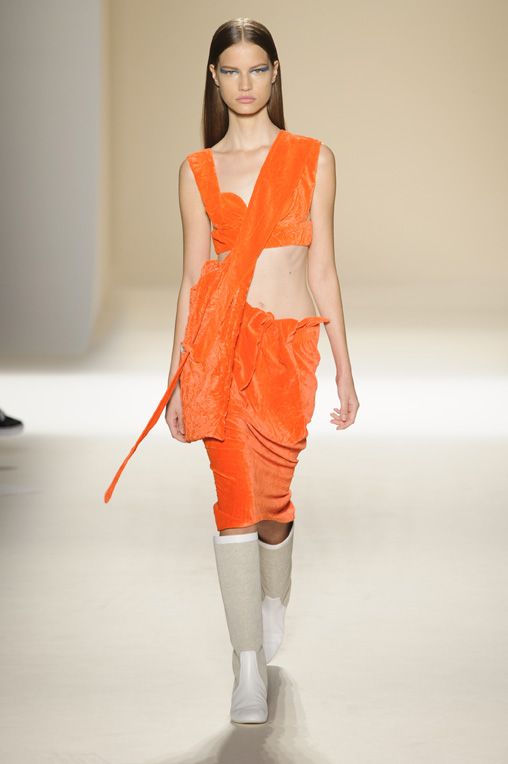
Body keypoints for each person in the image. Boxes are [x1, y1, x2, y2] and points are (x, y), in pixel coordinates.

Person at [104, 17, 359, 725]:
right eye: (231, 71)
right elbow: (192, 279)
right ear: (214, 79)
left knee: (272, 506)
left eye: (257, 69)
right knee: (234, 504)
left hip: (287, 355)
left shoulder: (313, 158)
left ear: (275, 73)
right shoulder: (197, 170)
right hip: (221, 353)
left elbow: (324, 269)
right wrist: (177, 379)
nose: (245, 84)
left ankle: (272, 596)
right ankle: (246, 664)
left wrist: (345, 368)